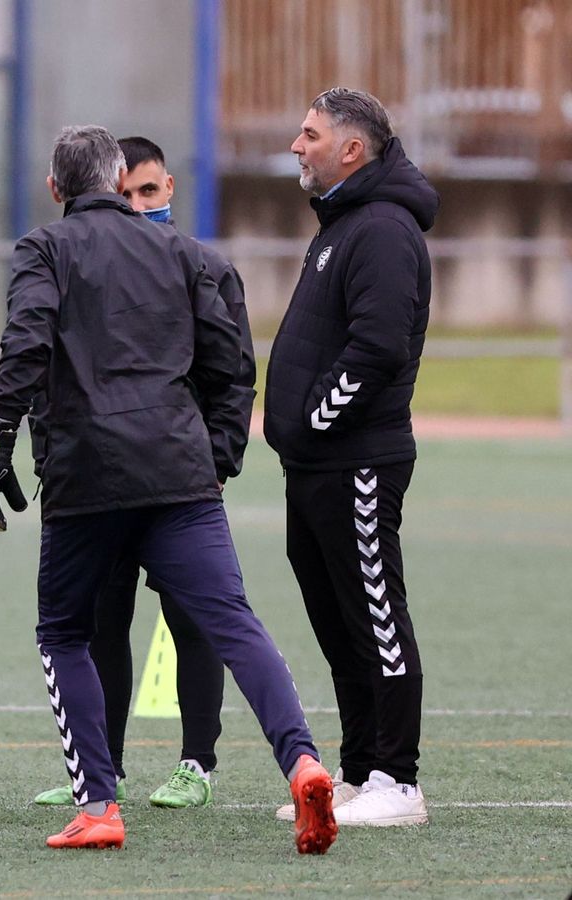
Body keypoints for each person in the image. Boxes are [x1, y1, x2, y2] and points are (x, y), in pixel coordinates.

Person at [0, 125, 336, 853]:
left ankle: (100, 806)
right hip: (179, 473)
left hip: (85, 476)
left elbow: (27, 339)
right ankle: (301, 760)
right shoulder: (184, 254)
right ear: (118, 181)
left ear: (56, 189)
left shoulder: (44, 249)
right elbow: (228, 364)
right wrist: (213, 456)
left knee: (64, 634)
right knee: (234, 623)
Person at [28, 136, 253, 811]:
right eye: (127, 193)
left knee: (193, 618)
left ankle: (197, 762)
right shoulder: (76, 265)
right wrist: (49, 456)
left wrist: (215, 462)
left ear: (169, 190)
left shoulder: (200, 267)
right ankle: (107, 770)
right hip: (95, 479)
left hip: (178, 479)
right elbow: (47, 368)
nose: (135, 205)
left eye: (148, 193)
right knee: (101, 623)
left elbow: (232, 376)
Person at [266, 88, 437, 827]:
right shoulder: (341, 223)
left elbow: (377, 349)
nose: (297, 146)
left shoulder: (384, 230)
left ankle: (399, 780)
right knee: (338, 622)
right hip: (315, 467)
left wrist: (313, 424)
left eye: (309, 134)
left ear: (352, 149)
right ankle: (362, 766)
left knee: (375, 616)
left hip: (357, 461)